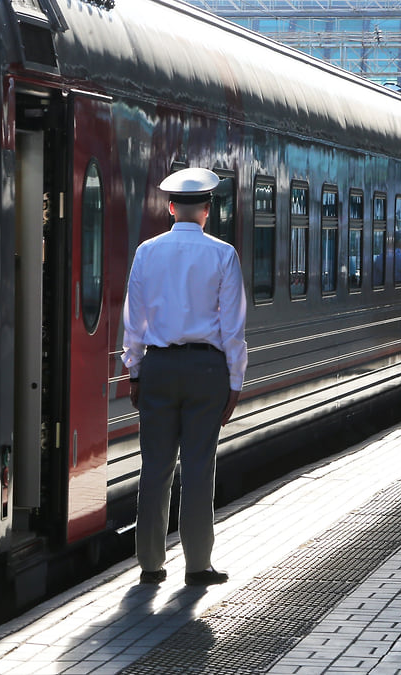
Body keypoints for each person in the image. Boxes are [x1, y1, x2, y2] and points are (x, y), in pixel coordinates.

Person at [121, 167, 248, 587]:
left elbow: (133, 321)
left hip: (157, 367)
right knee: (198, 467)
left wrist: (135, 370)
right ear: (207, 211)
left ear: (171, 207)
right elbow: (232, 328)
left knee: (155, 467)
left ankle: (150, 565)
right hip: (206, 370)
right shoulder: (222, 255)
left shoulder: (146, 252)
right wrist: (235, 383)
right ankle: (197, 566)